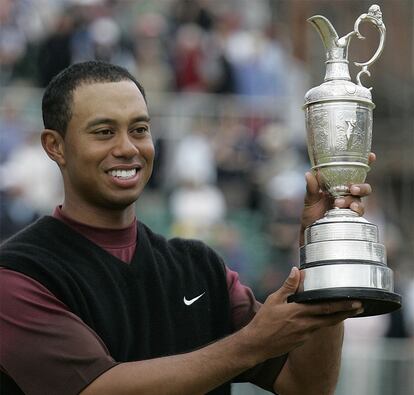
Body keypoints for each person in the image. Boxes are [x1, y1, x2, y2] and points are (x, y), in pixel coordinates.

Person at [0, 61, 372, 395]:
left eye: (139, 129)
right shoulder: (17, 274)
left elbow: (308, 385)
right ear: (55, 146)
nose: (128, 147)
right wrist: (251, 343)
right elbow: (99, 389)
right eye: (103, 132)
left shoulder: (200, 268)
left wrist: (324, 250)